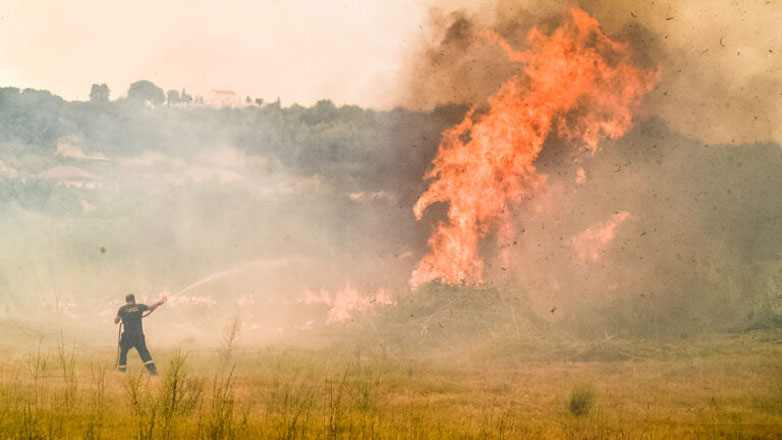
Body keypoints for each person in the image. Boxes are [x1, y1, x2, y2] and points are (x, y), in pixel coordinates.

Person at [115, 293, 166, 375]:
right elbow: (151, 307)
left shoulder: (122, 309)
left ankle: (121, 370)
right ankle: (153, 371)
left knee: (123, 352)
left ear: (126, 300)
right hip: (138, 335)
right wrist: (159, 302)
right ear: (134, 299)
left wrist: (122, 317)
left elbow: (116, 321)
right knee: (143, 352)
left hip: (127, 335)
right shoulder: (139, 307)